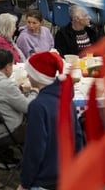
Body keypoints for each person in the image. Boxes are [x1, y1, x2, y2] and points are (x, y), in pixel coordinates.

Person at [20, 51, 85, 190]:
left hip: (43, 179)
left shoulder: (37, 106)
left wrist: (25, 183)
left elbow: (34, 149)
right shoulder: (67, 101)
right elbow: (78, 137)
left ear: (37, 76)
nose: (27, 75)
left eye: (29, 72)